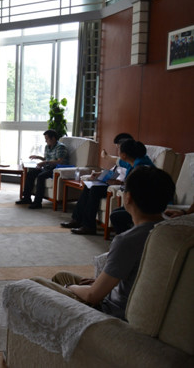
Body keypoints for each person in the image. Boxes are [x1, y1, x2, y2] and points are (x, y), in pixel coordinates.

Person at [31, 166, 175, 320]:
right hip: (129, 299)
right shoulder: (172, 230)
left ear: (128, 198)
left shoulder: (128, 240)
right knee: (61, 276)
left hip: (110, 311)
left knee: (36, 283)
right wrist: (102, 282)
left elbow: (92, 296)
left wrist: (69, 288)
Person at [61, 135, 150, 235]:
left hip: (118, 186)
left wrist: (118, 182)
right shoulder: (129, 160)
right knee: (88, 186)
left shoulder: (137, 165)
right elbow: (114, 169)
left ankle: (88, 226)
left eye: (119, 148)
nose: (117, 151)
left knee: (94, 190)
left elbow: (132, 182)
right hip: (113, 182)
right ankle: (77, 219)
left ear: (125, 151)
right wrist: (100, 174)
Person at [104, 140, 155, 235]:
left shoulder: (141, 168)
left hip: (149, 205)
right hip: (141, 202)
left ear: (124, 155)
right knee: (116, 212)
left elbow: (138, 189)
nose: (117, 152)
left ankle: (128, 238)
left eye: (119, 149)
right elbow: (117, 161)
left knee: (116, 216)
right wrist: (106, 156)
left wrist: (122, 184)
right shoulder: (134, 161)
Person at [16, 129, 69, 209]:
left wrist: (44, 163)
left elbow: (60, 161)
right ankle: (26, 198)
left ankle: (37, 202)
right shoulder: (47, 147)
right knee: (30, 173)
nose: (45, 141)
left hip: (56, 169)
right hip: (47, 167)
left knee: (41, 176)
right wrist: (38, 157)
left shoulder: (60, 147)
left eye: (47, 139)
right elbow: (46, 159)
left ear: (53, 138)